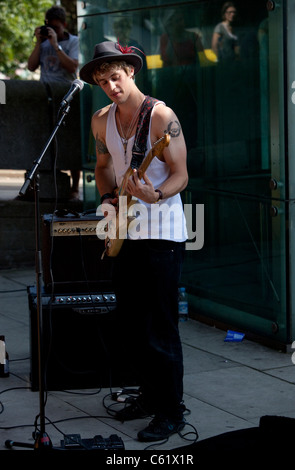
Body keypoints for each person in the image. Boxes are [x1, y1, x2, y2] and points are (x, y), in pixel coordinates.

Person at [79, 41, 189, 442]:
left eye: (116, 77)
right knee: (131, 322)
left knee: (160, 325)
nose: (110, 86)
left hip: (161, 232)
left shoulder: (161, 116)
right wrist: (109, 199)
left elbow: (181, 174)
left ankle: (171, 410)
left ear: (131, 71)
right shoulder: (100, 120)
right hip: (124, 230)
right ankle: (148, 395)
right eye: (102, 80)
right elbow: (103, 165)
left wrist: (155, 195)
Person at [27, 5, 80, 199]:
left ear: (64, 25)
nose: (52, 31)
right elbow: (31, 66)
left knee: (70, 139)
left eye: (56, 28)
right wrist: (39, 42)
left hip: (66, 94)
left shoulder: (73, 41)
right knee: (43, 138)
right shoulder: (43, 43)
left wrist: (56, 44)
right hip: (45, 95)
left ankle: (75, 186)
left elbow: (73, 66)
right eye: (49, 27)